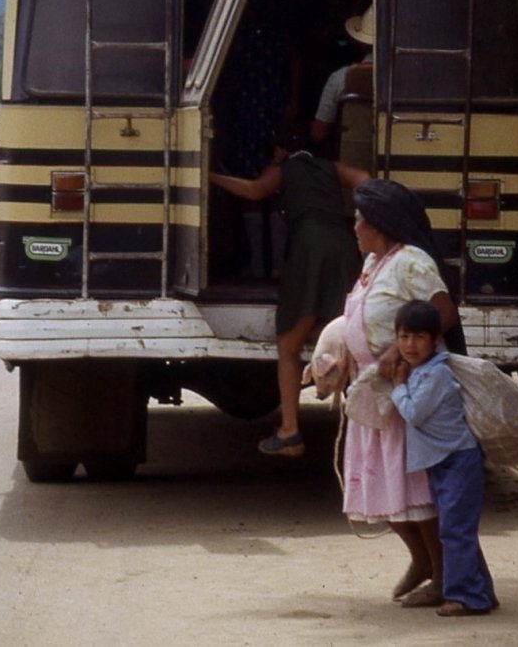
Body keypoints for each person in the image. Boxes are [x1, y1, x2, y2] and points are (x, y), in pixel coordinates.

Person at [342, 177, 462, 607]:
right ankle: (422, 560)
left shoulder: (412, 261)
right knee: (384, 485)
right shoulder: (373, 264)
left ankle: (444, 574)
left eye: (359, 221)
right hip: (375, 392)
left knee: (414, 486)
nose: (353, 228)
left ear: (379, 223)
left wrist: (398, 350)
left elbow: (443, 311)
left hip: (407, 389)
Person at [210, 137, 367, 456]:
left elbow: (255, 190)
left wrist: (208, 176)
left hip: (309, 246)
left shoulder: (286, 167)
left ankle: (290, 431)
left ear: (281, 152)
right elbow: (364, 178)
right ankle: (364, 428)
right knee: (341, 327)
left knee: (288, 345)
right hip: (343, 243)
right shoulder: (328, 167)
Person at [391, 300, 498, 618]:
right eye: (404, 337)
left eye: (419, 337)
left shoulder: (435, 373)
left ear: (435, 338)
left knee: (455, 530)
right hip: (443, 462)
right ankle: (481, 593)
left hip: (458, 461)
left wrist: (397, 388)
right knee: (457, 529)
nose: (410, 345)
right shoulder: (421, 370)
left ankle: (467, 597)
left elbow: (414, 413)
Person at [310, 4, 374, 147]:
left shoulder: (340, 78)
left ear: (361, 42)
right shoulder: (409, 77)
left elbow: (318, 134)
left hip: (349, 156)